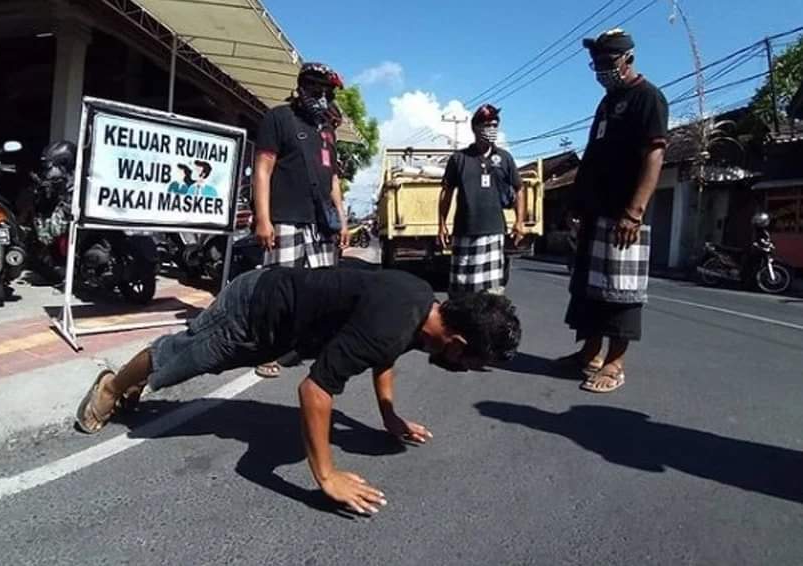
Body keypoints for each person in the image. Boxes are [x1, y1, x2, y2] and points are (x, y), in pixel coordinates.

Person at [75, 267, 521, 514]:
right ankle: (112, 387)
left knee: (191, 359)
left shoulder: (421, 304)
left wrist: (389, 416)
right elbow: (315, 391)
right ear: (458, 344)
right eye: (471, 364)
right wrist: (326, 477)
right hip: (253, 309)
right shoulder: (394, 325)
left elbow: (384, 357)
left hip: (280, 327)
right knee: (182, 358)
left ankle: (128, 386)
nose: (464, 371)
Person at [560, 29, 668, 393]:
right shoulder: (607, 103)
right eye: (597, 65)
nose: (602, 71)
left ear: (628, 59)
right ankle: (589, 353)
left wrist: (634, 212)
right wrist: (577, 203)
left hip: (624, 214)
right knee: (588, 289)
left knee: (620, 291)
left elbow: (654, 154)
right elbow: (591, 156)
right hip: (594, 210)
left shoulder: (648, 98)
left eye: (608, 63)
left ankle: (614, 363)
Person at [252, 62, 349, 378]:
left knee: (321, 288)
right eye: (315, 90)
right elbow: (263, 169)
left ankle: (304, 345)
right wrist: (263, 220)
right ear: (301, 87)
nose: (321, 97)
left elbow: (333, 179)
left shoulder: (327, 130)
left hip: (321, 223)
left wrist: (343, 220)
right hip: (286, 219)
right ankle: (268, 349)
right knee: (279, 289)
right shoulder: (278, 118)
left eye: (327, 93)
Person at [438, 104, 525, 297]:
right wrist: (442, 224)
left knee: (491, 294)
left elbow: (519, 189)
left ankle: (488, 327)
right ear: (475, 127)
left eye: (495, 125)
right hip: (464, 232)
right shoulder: (459, 159)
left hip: (494, 233)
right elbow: (446, 192)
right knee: (461, 290)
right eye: (486, 125)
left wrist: (519, 222)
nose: (491, 129)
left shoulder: (504, 158)